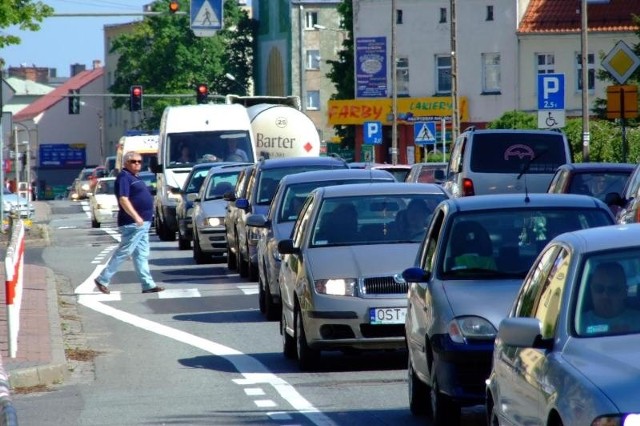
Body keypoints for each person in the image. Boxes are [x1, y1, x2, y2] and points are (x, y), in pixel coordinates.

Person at [94, 151, 165, 294]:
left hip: (143, 223)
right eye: (133, 161)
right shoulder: (124, 177)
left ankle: (147, 284)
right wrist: (136, 216)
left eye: (139, 161)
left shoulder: (134, 177)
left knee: (141, 254)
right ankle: (103, 278)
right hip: (133, 223)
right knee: (125, 251)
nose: (137, 164)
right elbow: (123, 199)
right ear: (126, 163)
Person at [581, 261, 640, 334]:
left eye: (613, 289)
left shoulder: (638, 321)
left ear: (625, 292)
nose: (605, 295)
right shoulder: (577, 324)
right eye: (599, 288)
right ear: (591, 290)